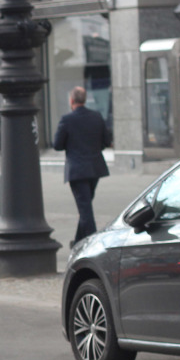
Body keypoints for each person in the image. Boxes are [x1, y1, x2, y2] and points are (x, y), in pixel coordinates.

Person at [53, 85, 112, 244]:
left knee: (85, 210)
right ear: (85, 100)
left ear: (71, 100)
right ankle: (78, 241)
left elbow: (57, 144)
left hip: (77, 170)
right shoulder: (96, 116)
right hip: (95, 168)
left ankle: (93, 242)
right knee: (85, 207)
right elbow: (106, 141)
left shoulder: (67, 119)